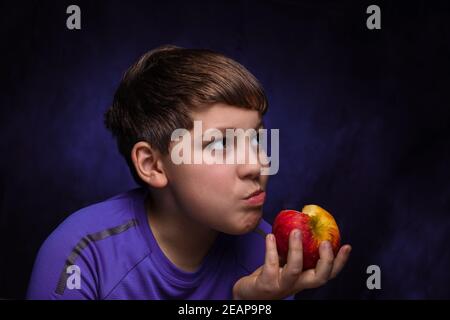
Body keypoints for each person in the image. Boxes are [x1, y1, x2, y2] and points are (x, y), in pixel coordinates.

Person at [27, 45, 351, 299]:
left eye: (256, 139)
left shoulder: (265, 251)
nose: (257, 164)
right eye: (221, 144)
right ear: (152, 165)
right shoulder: (81, 253)